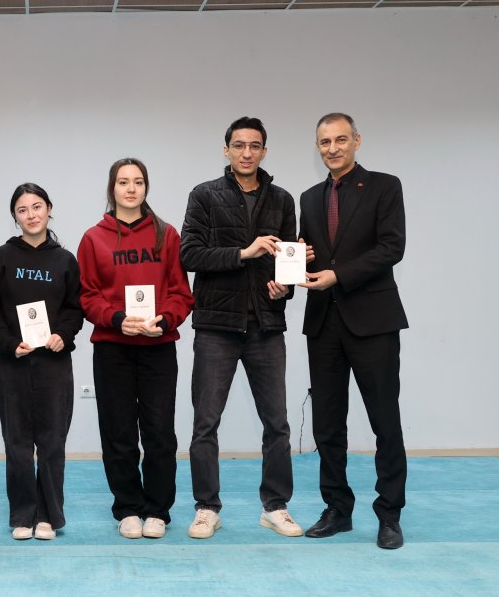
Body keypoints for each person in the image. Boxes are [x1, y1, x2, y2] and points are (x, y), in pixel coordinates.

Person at [180, 117, 302, 539]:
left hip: (266, 325)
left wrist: (284, 288)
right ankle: (206, 507)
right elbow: (190, 254)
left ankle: (276, 506)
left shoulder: (282, 200)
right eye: (238, 145)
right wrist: (244, 253)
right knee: (205, 423)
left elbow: (289, 262)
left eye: (254, 146)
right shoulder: (204, 194)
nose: (247, 152)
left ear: (264, 151)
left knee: (277, 423)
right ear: (226, 150)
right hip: (216, 325)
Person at [298, 113, 408, 550]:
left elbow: (391, 247)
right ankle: (337, 509)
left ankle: (390, 515)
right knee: (327, 425)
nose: (333, 148)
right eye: (325, 142)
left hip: (373, 321)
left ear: (356, 141)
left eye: (341, 139)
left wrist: (337, 276)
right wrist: (299, 262)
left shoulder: (384, 186)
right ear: (318, 146)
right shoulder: (309, 197)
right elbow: (309, 254)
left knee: (385, 421)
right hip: (323, 323)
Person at [77, 158, 193, 539]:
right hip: (113, 349)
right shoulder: (93, 238)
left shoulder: (166, 234)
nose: (131, 189)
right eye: (123, 182)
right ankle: (127, 507)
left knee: (160, 432)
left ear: (146, 188)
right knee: (118, 432)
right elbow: (87, 295)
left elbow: (181, 293)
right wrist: (116, 318)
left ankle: (157, 508)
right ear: (112, 188)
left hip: (158, 347)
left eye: (138, 182)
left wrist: (166, 320)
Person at [0, 183, 84, 541]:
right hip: (12, 364)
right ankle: (23, 515)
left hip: (54, 364)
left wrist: (63, 335)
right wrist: (9, 344)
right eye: (22, 210)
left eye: (37, 206)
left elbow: (75, 309)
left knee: (52, 444)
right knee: (18, 444)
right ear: (15, 216)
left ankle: (49, 516)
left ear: (49, 209)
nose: (31, 215)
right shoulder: (0, 258)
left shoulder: (65, 260)